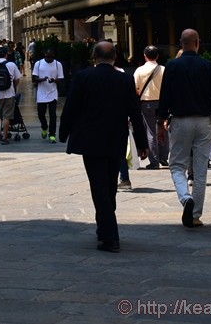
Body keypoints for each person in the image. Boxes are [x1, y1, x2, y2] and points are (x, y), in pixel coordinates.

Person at [59, 41, 148, 252]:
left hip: (90, 142)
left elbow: (70, 107)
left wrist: (63, 133)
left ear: (94, 57)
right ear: (115, 57)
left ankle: (109, 235)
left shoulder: (83, 77)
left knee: (99, 187)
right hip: (115, 139)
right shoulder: (125, 79)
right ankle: (104, 227)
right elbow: (135, 112)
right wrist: (143, 143)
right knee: (109, 187)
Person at [156, 29, 211, 228]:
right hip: (204, 121)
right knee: (200, 168)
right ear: (198, 42)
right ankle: (194, 215)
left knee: (177, 165)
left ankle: (185, 197)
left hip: (180, 121)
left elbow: (165, 97)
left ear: (181, 43)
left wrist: (160, 123)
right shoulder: (208, 66)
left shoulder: (172, 66)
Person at [133, 45, 168, 169]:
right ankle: (164, 157)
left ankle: (154, 160)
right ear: (157, 56)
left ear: (145, 56)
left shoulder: (139, 70)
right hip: (162, 102)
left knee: (150, 131)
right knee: (163, 128)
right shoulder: (163, 69)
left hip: (147, 102)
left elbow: (135, 89)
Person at [0, 46, 22, 145]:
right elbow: (17, 79)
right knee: (7, 116)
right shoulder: (11, 65)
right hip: (9, 94)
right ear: (6, 55)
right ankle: (4, 137)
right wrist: (14, 88)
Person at [32, 46, 64, 143]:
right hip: (41, 93)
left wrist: (54, 80)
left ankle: (52, 134)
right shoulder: (39, 63)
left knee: (53, 115)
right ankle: (44, 127)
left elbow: (61, 79)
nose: (50, 59)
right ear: (45, 55)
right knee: (41, 114)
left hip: (52, 93)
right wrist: (43, 79)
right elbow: (34, 78)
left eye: (51, 57)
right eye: (48, 57)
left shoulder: (58, 64)